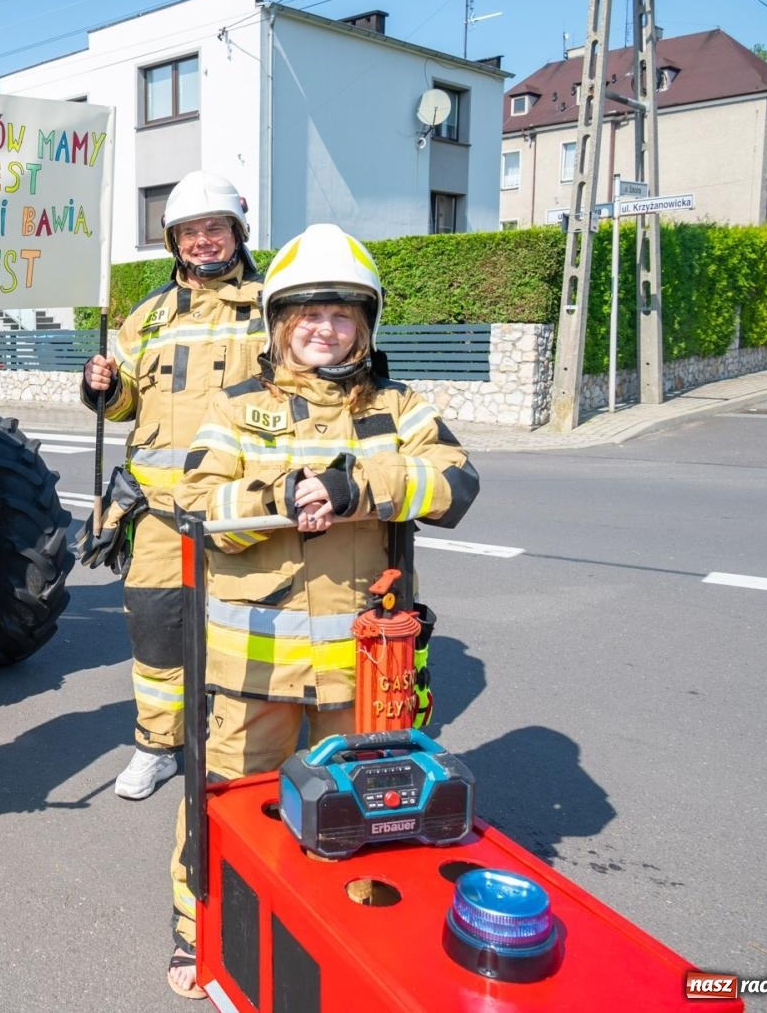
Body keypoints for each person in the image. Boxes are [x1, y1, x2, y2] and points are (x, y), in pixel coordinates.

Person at [162, 223, 481, 998]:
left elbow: (455, 485)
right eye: (308, 315)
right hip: (251, 665)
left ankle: (357, 946)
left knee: (368, 810)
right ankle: (200, 930)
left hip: (364, 668)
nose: (324, 329)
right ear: (279, 324)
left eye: (342, 316)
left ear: (365, 326)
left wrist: (355, 487)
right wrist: (280, 499)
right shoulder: (235, 409)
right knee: (231, 801)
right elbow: (193, 502)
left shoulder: (400, 405)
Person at [81, 171, 267, 801]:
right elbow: (126, 406)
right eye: (190, 231)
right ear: (174, 243)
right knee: (156, 629)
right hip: (159, 513)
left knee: (246, 630)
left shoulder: (273, 307)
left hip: (243, 509)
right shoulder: (148, 317)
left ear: (237, 233)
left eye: (215, 228)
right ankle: (156, 747)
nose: (203, 241)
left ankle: (237, 749)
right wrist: (103, 387)